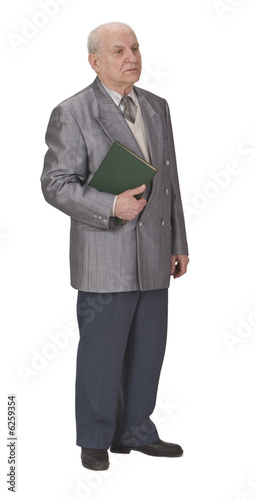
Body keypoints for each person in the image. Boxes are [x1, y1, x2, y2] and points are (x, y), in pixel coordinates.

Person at [41, 21, 189, 471]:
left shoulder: (158, 107)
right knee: (102, 353)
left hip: (153, 253)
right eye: (120, 50)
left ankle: (136, 430)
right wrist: (109, 205)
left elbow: (170, 183)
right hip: (105, 253)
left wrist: (178, 242)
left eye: (136, 49)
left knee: (148, 347)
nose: (132, 58)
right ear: (95, 61)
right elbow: (54, 183)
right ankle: (95, 437)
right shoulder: (73, 111)